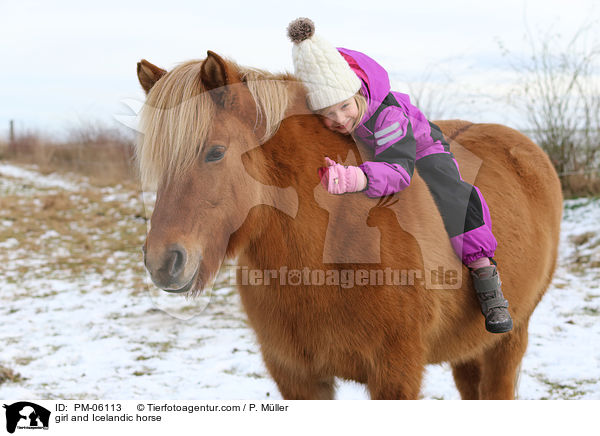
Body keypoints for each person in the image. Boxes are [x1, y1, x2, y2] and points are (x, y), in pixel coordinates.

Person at [287, 17, 513, 333]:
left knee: (450, 192)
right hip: (374, 154)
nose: (339, 119)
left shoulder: (388, 114)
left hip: (418, 152)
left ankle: (484, 274)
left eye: (343, 106)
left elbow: (399, 169)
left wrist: (357, 178)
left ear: (357, 94)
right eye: (327, 114)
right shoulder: (341, 118)